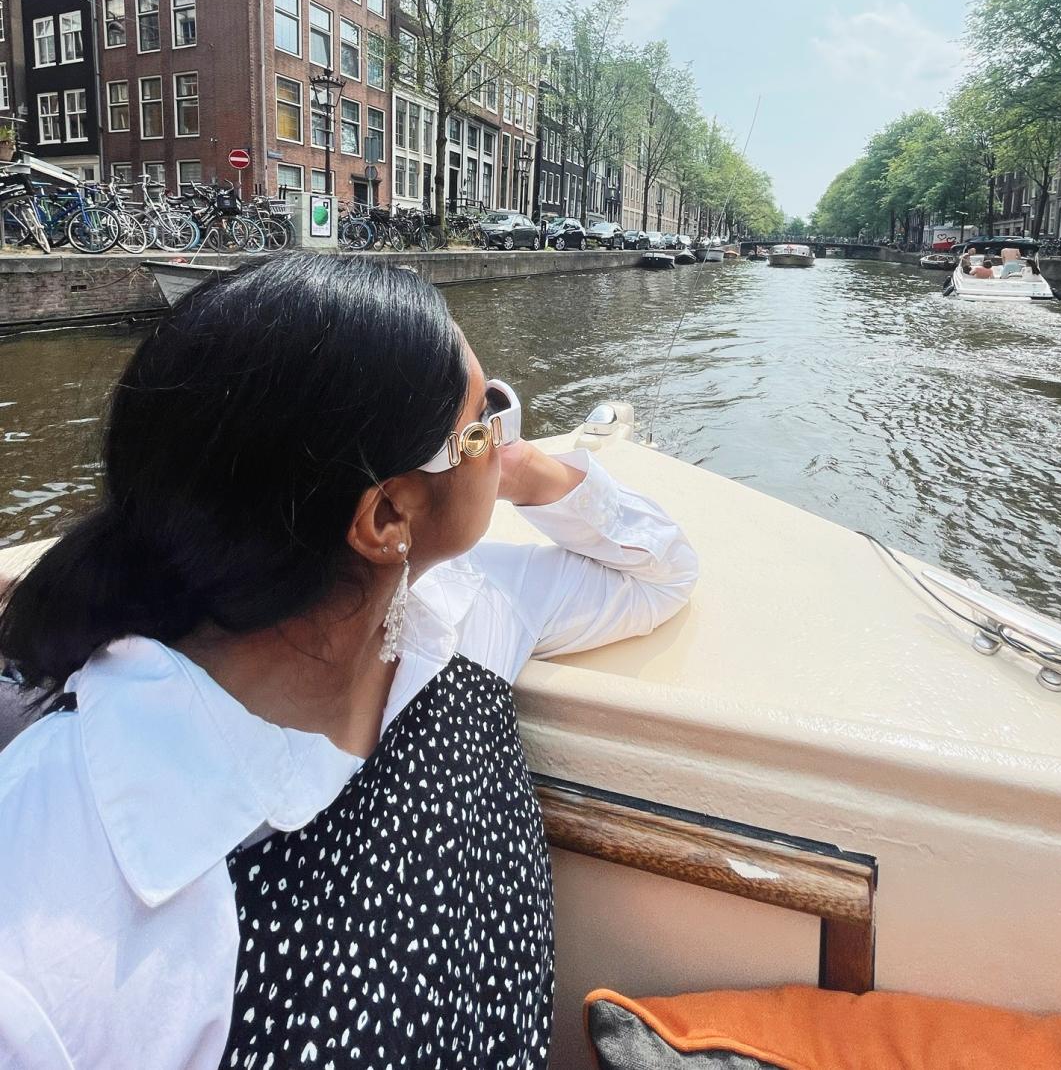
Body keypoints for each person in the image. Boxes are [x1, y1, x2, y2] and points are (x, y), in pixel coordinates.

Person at [0, 254, 698, 1070]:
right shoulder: (54, 903)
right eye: (483, 422)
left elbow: (661, 571)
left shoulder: (462, 611)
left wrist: (518, 468)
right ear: (389, 515)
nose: (504, 434)